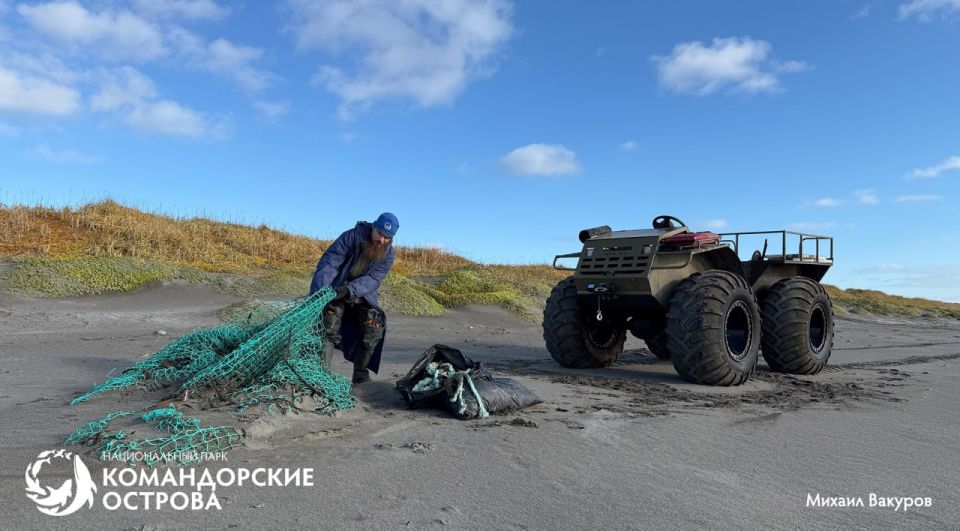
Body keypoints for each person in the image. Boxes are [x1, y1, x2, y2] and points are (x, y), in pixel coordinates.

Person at [310, 213, 398, 384]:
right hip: (336, 288)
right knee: (329, 321)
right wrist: (321, 291)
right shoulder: (351, 236)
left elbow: (374, 279)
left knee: (374, 325)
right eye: (380, 233)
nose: (382, 240)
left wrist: (350, 290)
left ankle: (360, 375)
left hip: (363, 294)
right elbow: (329, 262)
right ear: (374, 227)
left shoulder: (389, 254)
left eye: (387, 237)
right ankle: (321, 371)